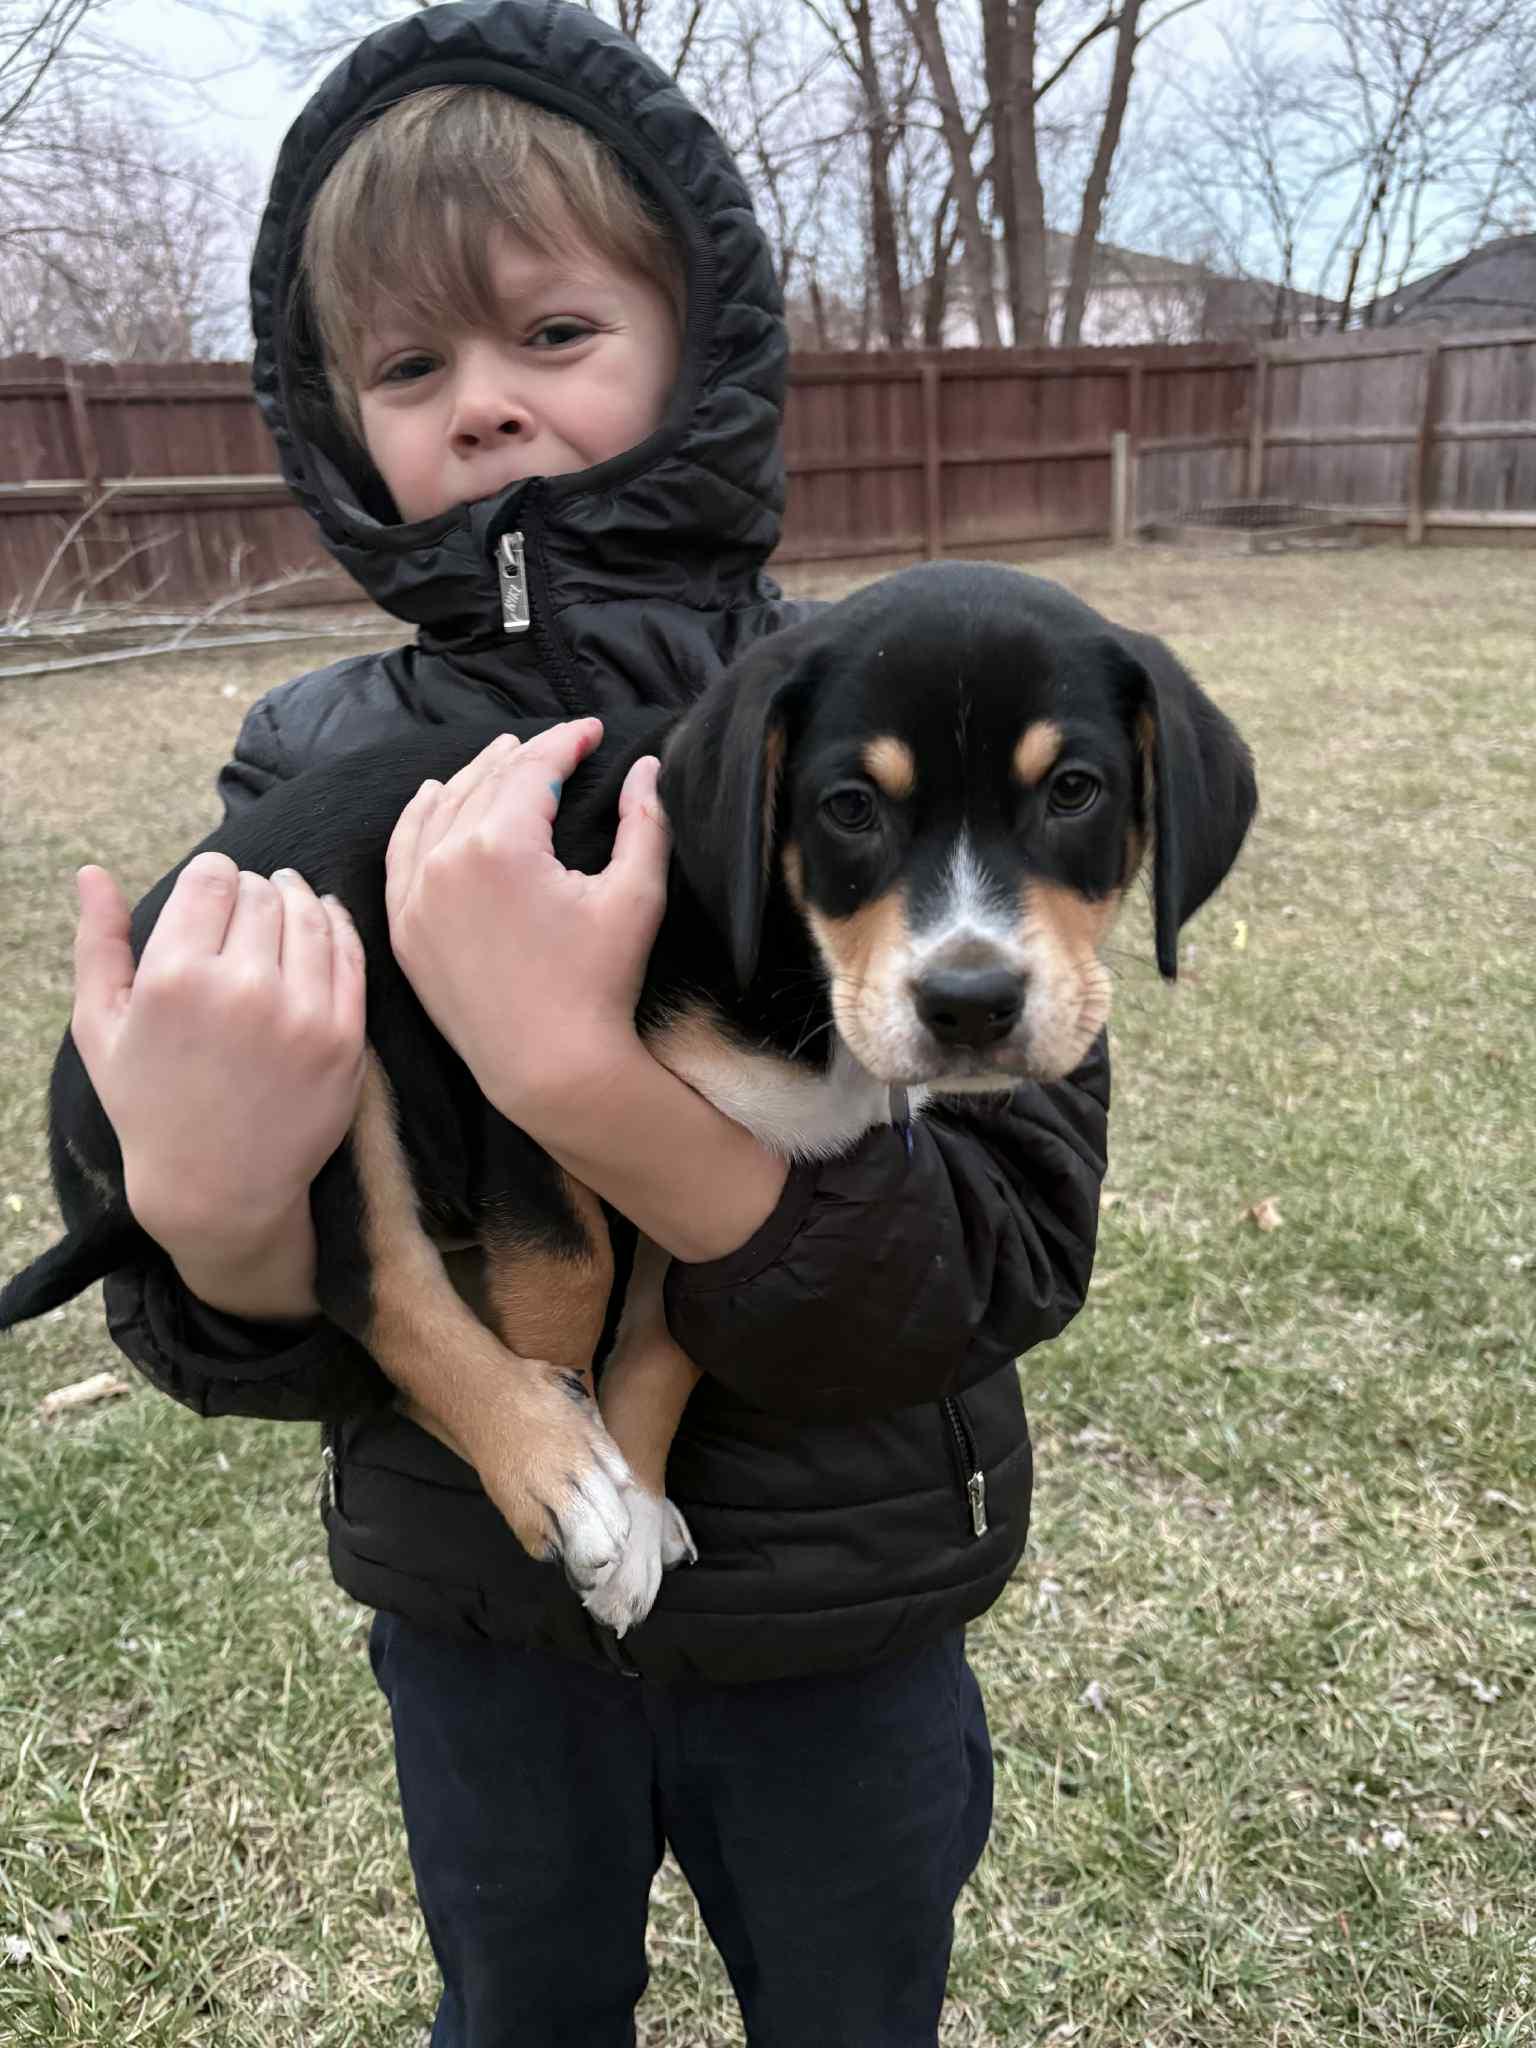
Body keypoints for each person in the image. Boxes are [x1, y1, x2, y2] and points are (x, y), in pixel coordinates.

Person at [69, 4, 1109, 2042]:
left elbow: (993, 1254)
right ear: (326, 409)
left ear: (700, 332)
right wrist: (202, 1213)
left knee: (855, 2002)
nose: (480, 407)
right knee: (520, 2007)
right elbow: (242, 1333)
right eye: (406, 363)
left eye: (552, 332)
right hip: (485, 1618)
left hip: (848, 1613)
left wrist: (572, 1074)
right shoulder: (311, 760)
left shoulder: (885, 714)